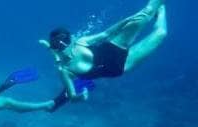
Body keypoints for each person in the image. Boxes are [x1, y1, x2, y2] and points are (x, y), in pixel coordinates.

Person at [40, 0, 168, 111]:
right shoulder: (65, 71)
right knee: (161, 33)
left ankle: (158, 5)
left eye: (65, 40)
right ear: (55, 47)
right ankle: (161, 10)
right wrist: (81, 97)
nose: (63, 45)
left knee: (146, 12)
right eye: (58, 44)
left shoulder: (81, 42)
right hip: (122, 66)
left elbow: (106, 33)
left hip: (115, 46)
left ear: (71, 38)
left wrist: (127, 20)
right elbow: (72, 96)